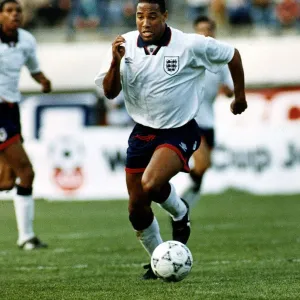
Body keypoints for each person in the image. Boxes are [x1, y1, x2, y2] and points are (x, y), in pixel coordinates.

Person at [95, 0, 247, 280]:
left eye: (152, 16)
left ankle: (179, 211)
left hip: (180, 129)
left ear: (164, 16)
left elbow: (232, 54)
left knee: (151, 184)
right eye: (140, 16)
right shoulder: (124, 45)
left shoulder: (190, 44)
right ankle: (158, 260)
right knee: (136, 208)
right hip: (142, 131)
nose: (145, 22)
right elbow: (109, 92)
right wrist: (116, 63)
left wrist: (239, 96)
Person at [0, 0, 51, 249]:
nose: (15, 15)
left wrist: (43, 80)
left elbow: (33, 67)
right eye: (9, 11)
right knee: (26, 172)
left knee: (7, 181)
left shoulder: (26, 40)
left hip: (11, 110)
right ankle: (27, 237)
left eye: (18, 11)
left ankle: (26, 236)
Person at [181, 16, 234, 207]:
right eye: (200, 30)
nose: (205, 33)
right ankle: (177, 203)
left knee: (204, 168)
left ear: (214, 32)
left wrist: (228, 91)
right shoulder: (187, 56)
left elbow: (229, 89)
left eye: (208, 30)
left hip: (209, 120)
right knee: (201, 164)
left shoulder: (219, 60)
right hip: (191, 119)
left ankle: (184, 204)